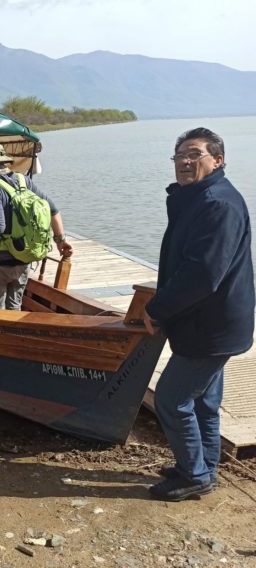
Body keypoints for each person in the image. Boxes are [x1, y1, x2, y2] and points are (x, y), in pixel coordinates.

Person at [143, 127, 254, 502]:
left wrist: (156, 309)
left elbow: (203, 274)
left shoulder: (217, 203)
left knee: (171, 399)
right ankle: (202, 466)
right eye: (179, 157)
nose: (185, 162)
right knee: (203, 400)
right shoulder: (199, 198)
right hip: (207, 321)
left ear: (217, 160)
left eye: (194, 155)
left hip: (212, 325)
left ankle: (194, 475)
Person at [0, 143, 72, 310]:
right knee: (14, 307)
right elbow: (53, 210)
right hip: (23, 259)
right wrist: (60, 240)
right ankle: (14, 334)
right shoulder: (23, 180)